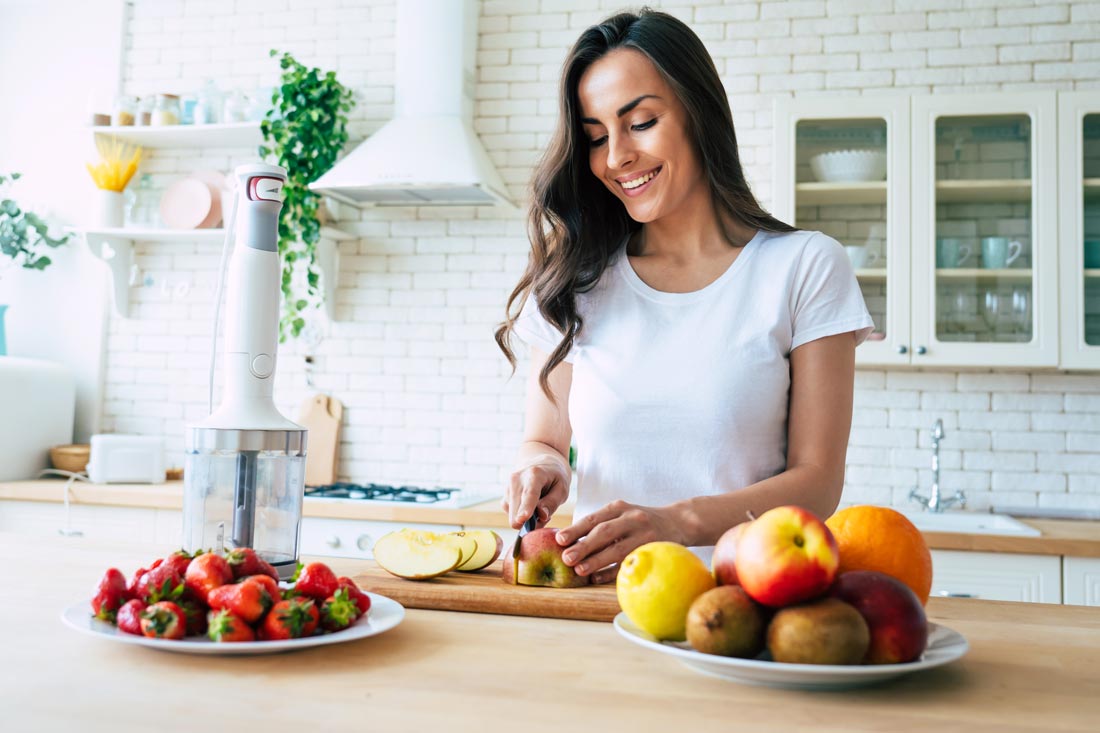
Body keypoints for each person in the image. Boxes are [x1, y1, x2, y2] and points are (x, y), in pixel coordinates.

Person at [494, 9, 874, 585]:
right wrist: (540, 467)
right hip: (597, 606)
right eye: (595, 137)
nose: (615, 156)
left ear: (699, 112)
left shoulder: (803, 266)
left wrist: (675, 522)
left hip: (740, 607)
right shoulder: (577, 279)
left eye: (640, 122)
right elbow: (543, 439)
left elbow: (817, 482)